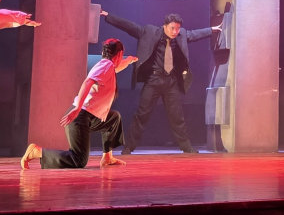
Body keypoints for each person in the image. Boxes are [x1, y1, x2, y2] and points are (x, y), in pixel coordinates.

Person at [101, 10, 220, 154]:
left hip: (171, 81)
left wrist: (212, 30)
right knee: (142, 114)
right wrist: (108, 16)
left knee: (177, 115)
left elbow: (195, 34)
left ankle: (186, 147)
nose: (175, 32)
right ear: (165, 26)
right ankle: (129, 147)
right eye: (172, 28)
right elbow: (129, 26)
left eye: (177, 28)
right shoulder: (150, 32)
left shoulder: (181, 35)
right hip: (153, 80)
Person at [21, 38, 137, 169]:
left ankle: (107, 157)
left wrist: (129, 60)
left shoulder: (108, 67)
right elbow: (88, 82)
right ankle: (37, 151)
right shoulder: (106, 65)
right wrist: (77, 108)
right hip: (80, 116)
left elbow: (118, 66)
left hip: (89, 117)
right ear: (120, 53)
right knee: (78, 160)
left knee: (113, 118)